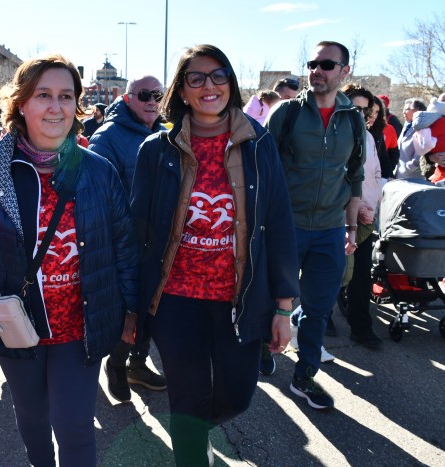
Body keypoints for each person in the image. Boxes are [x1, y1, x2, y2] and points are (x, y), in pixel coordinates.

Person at [0, 53, 138, 467]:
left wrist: (129, 309)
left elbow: (124, 245)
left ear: (76, 105)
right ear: (21, 105)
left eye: (66, 96)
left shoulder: (98, 171)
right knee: (32, 417)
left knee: (75, 427)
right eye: (43, 95)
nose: (56, 107)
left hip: (79, 328)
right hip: (18, 326)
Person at [132, 44, 298, 466]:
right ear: (182, 91)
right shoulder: (156, 149)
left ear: (231, 83)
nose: (210, 85)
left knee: (236, 395)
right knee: (186, 402)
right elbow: (137, 233)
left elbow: (277, 225)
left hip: (238, 298)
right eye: (196, 78)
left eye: (219, 75)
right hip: (176, 300)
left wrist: (283, 305)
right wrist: (131, 308)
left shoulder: (259, 145)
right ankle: (191, 449)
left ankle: (196, 432)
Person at [266, 40, 365, 410]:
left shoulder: (352, 118)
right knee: (271, 299)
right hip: (286, 226)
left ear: (344, 72)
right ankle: (264, 342)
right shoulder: (287, 113)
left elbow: (354, 176)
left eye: (326, 64)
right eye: (312, 63)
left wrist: (351, 230)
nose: (316, 70)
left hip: (328, 230)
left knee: (319, 307)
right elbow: (265, 171)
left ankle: (304, 375)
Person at [89, 74, 168, 401]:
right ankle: (116, 364)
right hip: (124, 244)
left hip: (161, 242)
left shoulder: (166, 134)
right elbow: (96, 194)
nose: (152, 101)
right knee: (127, 312)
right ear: (127, 99)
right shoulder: (107, 137)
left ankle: (136, 363)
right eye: (144, 95)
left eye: (157, 95)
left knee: (153, 309)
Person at [341, 84, 383, 349]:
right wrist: (353, 210)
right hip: (339, 218)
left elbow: (375, 174)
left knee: (361, 277)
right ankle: (322, 322)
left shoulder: (367, 136)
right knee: (336, 275)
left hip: (366, 218)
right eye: (356, 107)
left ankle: (361, 328)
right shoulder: (335, 135)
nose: (363, 114)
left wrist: (371, 205)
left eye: (366, 109)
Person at [396, 98, 427, 179]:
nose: (403, 112)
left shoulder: (422, 128)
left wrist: (408, 168)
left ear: (416, 111)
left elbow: (421, 153)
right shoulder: (407, 126)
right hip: (400, 176)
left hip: (413, 178)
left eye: (406, 109)